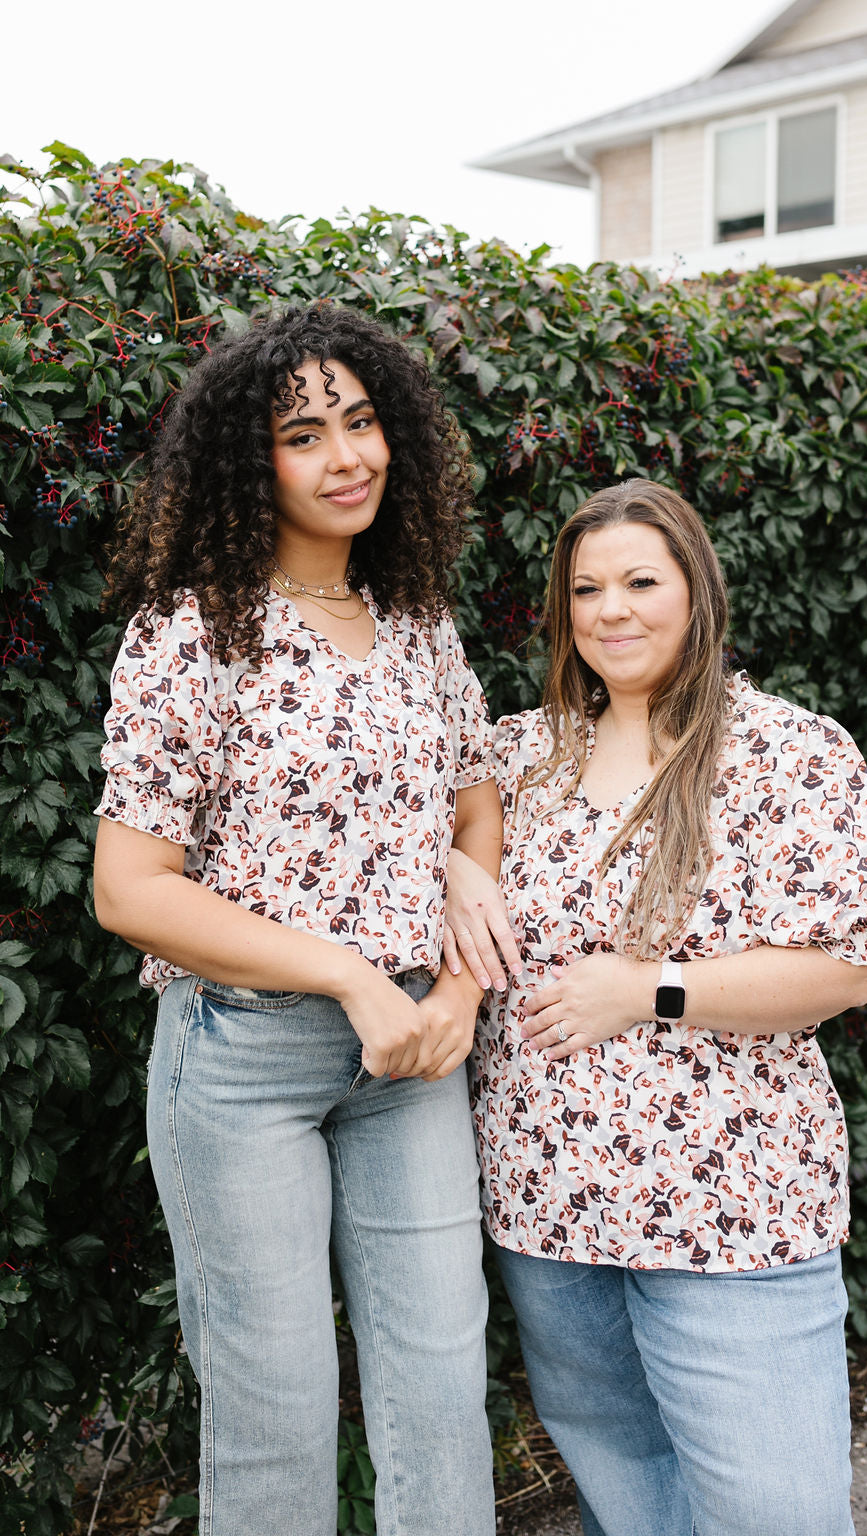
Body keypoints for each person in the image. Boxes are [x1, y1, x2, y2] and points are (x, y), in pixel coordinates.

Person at [93, 303, 500, 1536]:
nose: (346, 456)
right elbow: (132, 890)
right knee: (273, 1410)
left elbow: (478, 817)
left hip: (414, 1056)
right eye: (304, 434)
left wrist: (457, 994)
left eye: (363, 422)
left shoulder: (419, 626)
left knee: (439, 1387)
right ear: (247, 463)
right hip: (243, 1061)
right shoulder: (191, 634)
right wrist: (351, 978)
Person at [445, 479, 867, 1536]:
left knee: (773, 1512)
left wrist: (649, 990)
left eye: (640, 582)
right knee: (627, 1490)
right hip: (548, 1209)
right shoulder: (521, 756)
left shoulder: (787, 751)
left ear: (696, 590)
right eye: (586, 589)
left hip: (731, 1215)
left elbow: (850, 964)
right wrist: (454, 869)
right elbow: (380, 822)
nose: (612, 610)